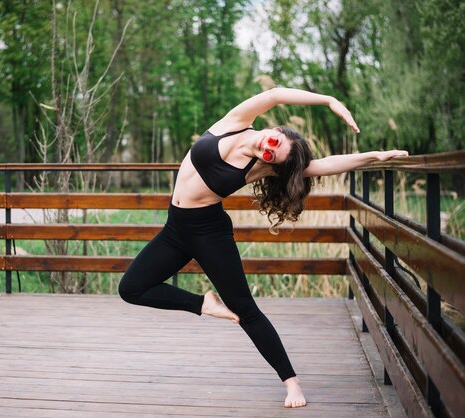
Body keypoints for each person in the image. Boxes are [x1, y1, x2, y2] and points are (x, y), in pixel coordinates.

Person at [118, 87, 408, 408]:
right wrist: (328, 100)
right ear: (277, 131)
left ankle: (292, 383)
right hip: (176, 228)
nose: (266, 149)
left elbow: (326, 165)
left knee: (245, 311)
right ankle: (204, 305)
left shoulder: (263, 165)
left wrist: (376, 156)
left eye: (271, 155)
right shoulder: (238, 121)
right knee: (131, 288)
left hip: (208, 232)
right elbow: (277, 93)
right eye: (273, 142)